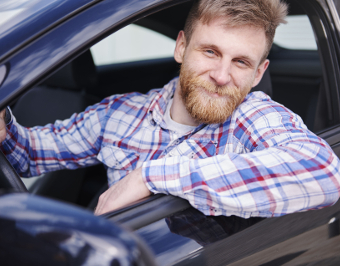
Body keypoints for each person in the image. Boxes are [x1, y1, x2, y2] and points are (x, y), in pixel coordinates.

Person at [1, 0, 340, 218]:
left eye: (240, 62)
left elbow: (323, 171)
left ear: (258, 73)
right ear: (181, 48)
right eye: (210, 52)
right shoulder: (119, 114)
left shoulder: (252, 116)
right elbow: (30, 155)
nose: (222, 76)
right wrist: (5, 127)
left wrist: (150, 177)